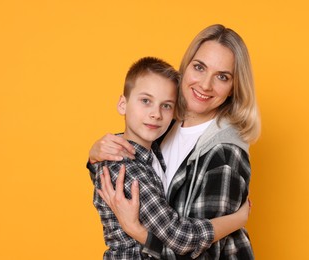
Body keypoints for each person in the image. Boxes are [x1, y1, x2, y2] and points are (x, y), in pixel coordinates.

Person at [89, 24, 261, 259]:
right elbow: (125, 167)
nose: (205, 85)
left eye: (222, 77)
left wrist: (139, 232)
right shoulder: (163, 124)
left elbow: (204, 253)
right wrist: (95, 155)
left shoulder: (225, 153)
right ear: (186, 68)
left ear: (233, 87)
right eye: (199, 67)